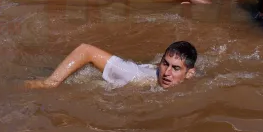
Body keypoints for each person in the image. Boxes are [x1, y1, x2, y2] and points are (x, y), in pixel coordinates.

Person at [25, 41, 197, 89]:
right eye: (165, 64)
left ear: (189, 73)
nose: (166, 73)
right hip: (72, 81)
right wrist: (50, 83)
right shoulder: (133, 75)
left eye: (175, 68)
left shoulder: (192, 79)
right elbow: (86, 50)